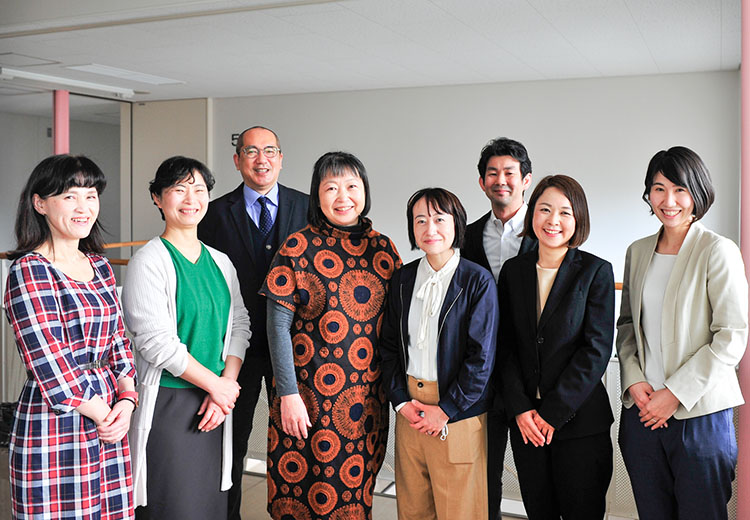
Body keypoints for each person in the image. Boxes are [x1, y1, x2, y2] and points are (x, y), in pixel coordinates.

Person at [259, 151, 401, 520]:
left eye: (352, 186)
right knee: (300, 494)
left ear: (364, 191)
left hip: (365, 402)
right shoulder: (297, 247)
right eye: (331, 188)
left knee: (355, 495)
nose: (343, 197)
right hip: (306, 397)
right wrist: (287, 393)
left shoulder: (384, 250)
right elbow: (277, 327)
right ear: (317, 195)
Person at [616, 146, 747, 520]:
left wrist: (673, 394)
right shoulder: (638, 251)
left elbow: (731, 335)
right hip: (642, 413)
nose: (668, 201)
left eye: (679, 189)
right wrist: (634, 382)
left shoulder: (718, 250)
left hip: (700, 415)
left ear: (697, 193)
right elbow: (627, 326)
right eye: (658, 189)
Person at [4, 154, 137, 519]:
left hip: (110, 412)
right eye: (70, 196)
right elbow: (47, 358)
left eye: (91, 195)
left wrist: (127, 400)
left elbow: (118, 340)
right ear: (40, 203)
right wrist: (103, 413)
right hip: (58, 417)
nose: (83, 207)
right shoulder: (30, 270)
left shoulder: (100, 265)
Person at [122, 156, 251, 519]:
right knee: (173, 505)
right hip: (169, 402)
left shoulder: (221, 262)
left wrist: (225, 387)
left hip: (215, 403)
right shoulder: (148, 261)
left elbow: (240, 325)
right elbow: (156, 343)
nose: (191, 199)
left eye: (199, 189)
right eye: (179, 189)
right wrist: (217, 386)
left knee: (210, 505)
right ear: (157, 198)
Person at [198, 126, 308, 519]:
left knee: (297, 444)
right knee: (230, 444)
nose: (261, 160)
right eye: (251, 152)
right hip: (233, 351)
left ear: (280, 158)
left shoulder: (308, 206)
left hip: (295, 350)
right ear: (237, 160)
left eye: (270, 151)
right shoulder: (212, 214)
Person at [499, 175, 614, 520]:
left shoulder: (595, 271)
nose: (553, 220)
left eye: (565, 212)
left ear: (578, 219)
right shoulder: (513, 271)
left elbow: (596, 351)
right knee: (539, 512)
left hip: (579, 423)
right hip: (526, 424)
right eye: (545, 209)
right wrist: (521, 408)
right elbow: (504, 346)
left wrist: (551, 413)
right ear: (532, 214)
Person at [381, 187, 499, 520]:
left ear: (456, 223)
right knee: (413, 508)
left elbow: (481, 359)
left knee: (460, 510)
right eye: (420, 220)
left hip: (458, 411)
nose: (429, 228)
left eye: (438, 219)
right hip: (410, 409)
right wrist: (400, 402)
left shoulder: (477, 280)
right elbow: (389, 346)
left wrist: (446, 409)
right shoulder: (402, 278)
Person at [461, 137, 536, 519]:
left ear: (526, 180)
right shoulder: (465, 236)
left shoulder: (547, 232)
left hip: (531, 377)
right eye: (492, 173)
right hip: (480, 377)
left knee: (536, 480)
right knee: (482, 477)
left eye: (509, 172)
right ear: (482, 182)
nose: (501, 180)